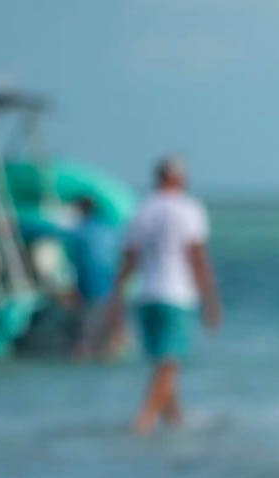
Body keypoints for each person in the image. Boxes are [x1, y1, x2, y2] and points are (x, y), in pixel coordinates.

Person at [111, 157, 221, 433]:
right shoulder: (188, 209)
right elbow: (196, 255)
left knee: (162, 363)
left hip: (146, 294)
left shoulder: (143, 209)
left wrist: (117, 296)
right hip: (177, 294)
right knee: (169, 364)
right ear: (179, 178)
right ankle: (144, 421)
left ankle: (175, 421)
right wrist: (211, 298)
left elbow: (130, 258)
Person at [66, 195, 123, 361]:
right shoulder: (109, 228)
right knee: (109, 339)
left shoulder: (81, 230)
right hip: (111, 283)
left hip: (91, 285)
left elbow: (58, 234)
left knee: (85, 338)